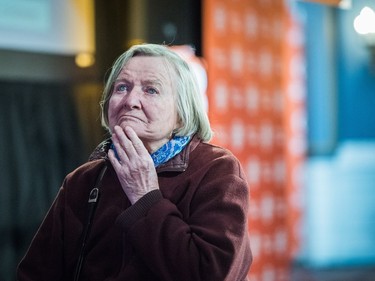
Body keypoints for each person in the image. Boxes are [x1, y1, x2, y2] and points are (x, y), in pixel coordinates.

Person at [17, 43, 252, 281]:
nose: (131, 101)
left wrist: (145, 196)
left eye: (151, 90)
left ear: (182, 113)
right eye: (121, 87)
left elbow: (212, 274)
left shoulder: (216, 170)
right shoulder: (82, 180)